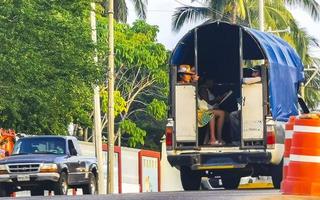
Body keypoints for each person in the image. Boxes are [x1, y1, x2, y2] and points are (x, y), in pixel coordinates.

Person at [198, 79, 226, 145]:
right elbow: (206, 102)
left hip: (208, 110)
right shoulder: (203, 89)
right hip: (202, 113)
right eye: (211, 81)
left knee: (223, 114)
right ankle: (213, 139)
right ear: (207, 81)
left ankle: (218, 138)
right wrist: (216, 100)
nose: (212, 83)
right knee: (218, 113)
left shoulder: (207, 89)